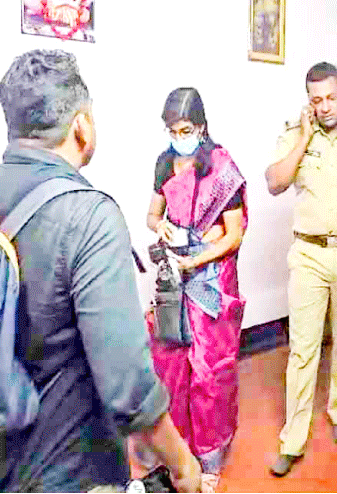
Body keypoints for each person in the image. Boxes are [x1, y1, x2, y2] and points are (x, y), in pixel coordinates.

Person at [0, 49, 202, 493]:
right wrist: (182, 465)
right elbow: (128, 386)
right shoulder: (90, 216)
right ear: (81, 127)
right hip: (74, 474)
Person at [265, 62, 337, 477]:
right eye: (316, 100)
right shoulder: (295, 133)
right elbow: (275, 182)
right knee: (303, 349)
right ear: (308, 101)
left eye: (330, 98)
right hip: (308, 254)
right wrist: (305, 139)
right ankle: (292, 438)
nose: (324, 106)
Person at [142, 87, 247, 489]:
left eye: (185, 130)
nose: (178, 137)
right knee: (171, 363)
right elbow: (152, 215)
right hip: (175, 276)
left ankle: (210, 457)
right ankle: (177, 449)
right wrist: (162, 226)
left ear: (201, 127)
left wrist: (198, 259)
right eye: (172, 130)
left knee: (209, 371)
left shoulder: (220, 168)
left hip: (210, 280)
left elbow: (233, 235)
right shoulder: (164, 163)